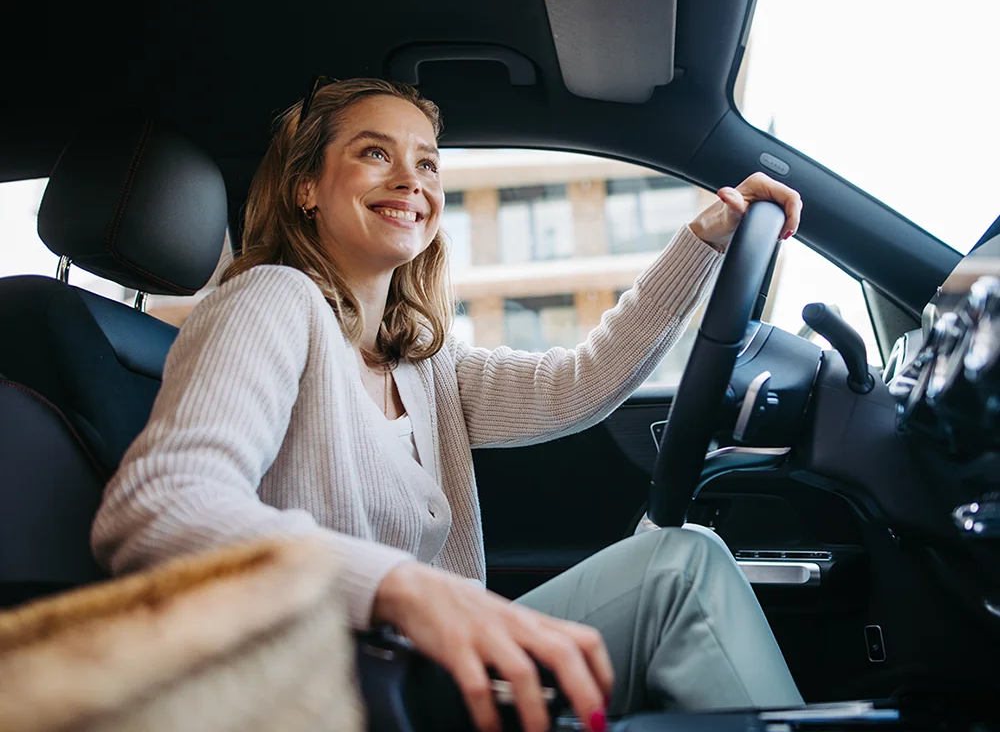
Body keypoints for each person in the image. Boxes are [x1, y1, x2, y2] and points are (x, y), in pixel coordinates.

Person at [92, 78, 803, 732]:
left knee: (683, 560)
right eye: (375, 153)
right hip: (337, 688)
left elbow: (580, 382)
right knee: (679, 571)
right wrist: (399, 589)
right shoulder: (270, 302)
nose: (410, 179)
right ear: (306, 186)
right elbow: (158, 505)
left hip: (414, 678)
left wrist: (703, 241)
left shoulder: (422, 363)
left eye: (428, 163)